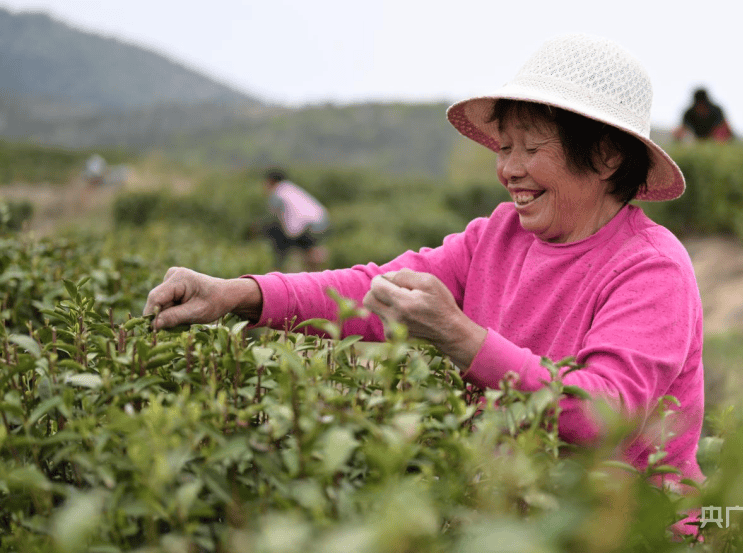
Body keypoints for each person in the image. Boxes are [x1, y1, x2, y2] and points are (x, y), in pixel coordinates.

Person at [145, 34, 704, 533]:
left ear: (607, 156)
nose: (509, 168)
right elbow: (376, 288)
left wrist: (461, 338)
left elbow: (601, 414)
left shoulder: (651, 269)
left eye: (531, 148)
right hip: (515, 519)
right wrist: (239, 294)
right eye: (504, 147)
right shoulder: (498, 235)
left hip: (626, 531)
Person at [261, 168, 330, 272]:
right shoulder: (289, 188)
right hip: (320, 221)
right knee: (308, 250)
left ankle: (278, 270)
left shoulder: (278, 192)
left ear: (271, 181)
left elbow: (274, 216)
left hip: (308, 225)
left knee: (280, 240)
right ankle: (317, 270)